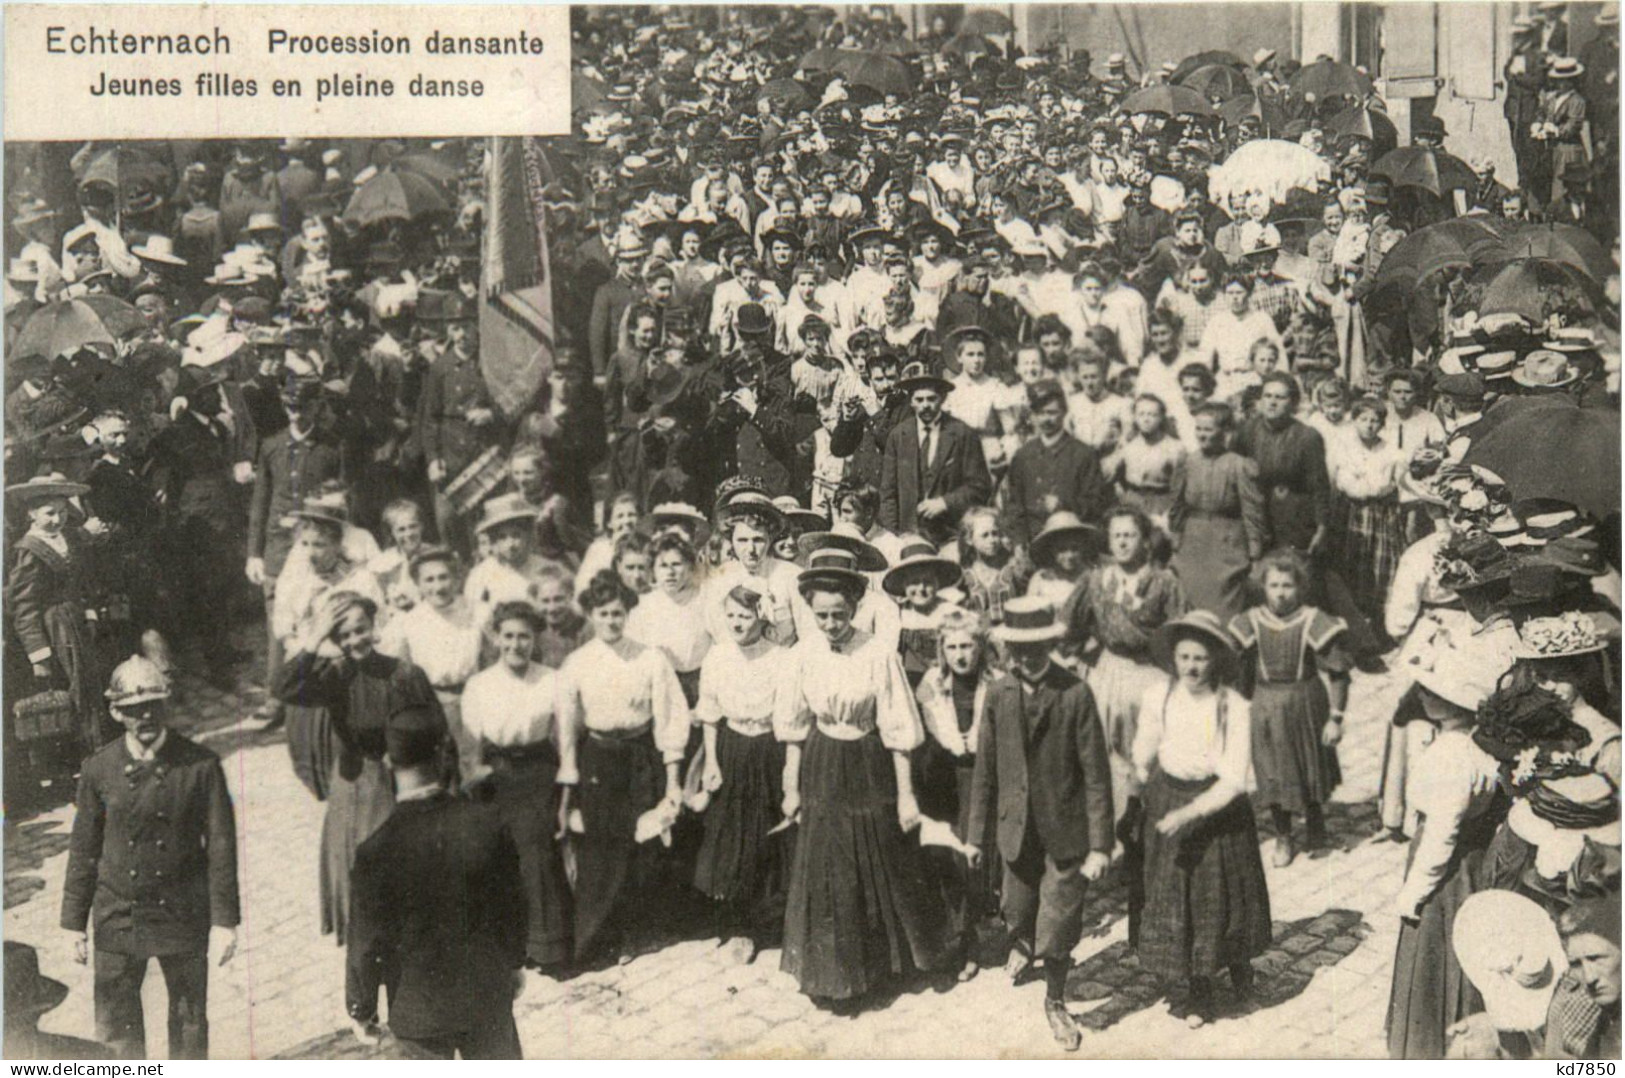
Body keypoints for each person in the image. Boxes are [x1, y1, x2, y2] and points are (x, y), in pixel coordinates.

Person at [776, 546, 946, 1003]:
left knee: (877, 857)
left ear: (853, 608)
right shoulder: (802, 655)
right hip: (822, 762)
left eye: (838, 615)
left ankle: (881, 968)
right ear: (809, 611)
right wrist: (791, 788)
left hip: (869, 763)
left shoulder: (877, 653)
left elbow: (898, 729)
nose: (831, 625)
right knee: (828, 864)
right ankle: (832, 974)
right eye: (822, 616)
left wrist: (907, 796)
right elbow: (793, 727)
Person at [60, 656, 239, 1060]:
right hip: (117, 913)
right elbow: (84, 848)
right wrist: (74, 923)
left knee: (189, 1020)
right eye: (134, 710)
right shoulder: (98, 769)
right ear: (115, 712)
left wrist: (225, 920)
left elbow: (222, 850)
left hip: (181, 912)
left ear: (166, 706)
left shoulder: (200, 766)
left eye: (154, 706)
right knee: (115, 1027)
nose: (145, 717)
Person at [966, 598, 1114, 1050]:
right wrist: (975, 835)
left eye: (1038, 647)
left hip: (1066, 831)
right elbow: (986, 771)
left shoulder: (1075, 693)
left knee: (1059, 923)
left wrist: (1101, 845)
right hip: (1017, 830)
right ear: (1008, 648)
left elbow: (1096, 773)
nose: (1028, 656)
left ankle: (1055, 997)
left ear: (1051, 643)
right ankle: (1021, 943)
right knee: (1019, 907)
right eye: (1018, 648)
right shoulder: (998, 693)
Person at [346, 703, 528, 1059]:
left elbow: (366, 942)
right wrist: (515, 962)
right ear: (442, 756)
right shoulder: (488, 825)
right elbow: (514, 904)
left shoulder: (375, 852)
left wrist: (361, 1008)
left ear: (388, 764)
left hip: (418, 1011)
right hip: (486, 996)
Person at [273, 591, 446, 943]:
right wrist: (313, 638)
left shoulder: (405, 674)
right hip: (353, 781)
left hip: (399, 781)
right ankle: (367, 940)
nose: (354, 640)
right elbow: (282, 688)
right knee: (359, 863)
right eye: (344, 635)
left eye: (360, 630)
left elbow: (436, 731)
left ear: (374, 626)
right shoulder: (334, 678)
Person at [1130, 611, 1272, 1028]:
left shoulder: (1233, 707)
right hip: (1167, 798)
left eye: (1200, 658)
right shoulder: (1160, 695)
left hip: (1216, 811)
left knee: (1224, 895)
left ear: (1216, 662)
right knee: (1178, 895)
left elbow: (1232, 780)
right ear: (1173, 659)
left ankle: (1239, 964)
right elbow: (1146, 743)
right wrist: (1138, 773)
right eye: (1184, 657)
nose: (1191, 667)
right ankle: (1200, 991)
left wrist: (1188, 814)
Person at [558, 570, 692, 964]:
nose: (611, 621)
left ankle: (638, 931)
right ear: (591, 615)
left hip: (639, 757)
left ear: (627, 613)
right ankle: (600, 937)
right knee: (601, 847)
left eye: (617, 613)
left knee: (642, 843)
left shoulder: (650, 658)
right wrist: (569, 790)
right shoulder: (577, 663)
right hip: (598, 759)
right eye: (603, 614)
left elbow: (670, 718)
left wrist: (672, 783)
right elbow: (567, 730)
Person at [1386, 653, 1506, 1060]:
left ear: (1447, 703)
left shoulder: (1451, 756)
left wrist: (1412, 893)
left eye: (1431, 691)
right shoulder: (1471, 743)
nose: (1422, 695)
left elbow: (1441, 836)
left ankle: (1432, 1042)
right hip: (1471, 860)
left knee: (1438, 951)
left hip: (1447, 875)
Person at [459, 602, 574, 972]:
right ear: (495, 638)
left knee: (538, 855)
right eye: (508, 636)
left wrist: (566, 793)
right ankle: (507, 946)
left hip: (538, 772)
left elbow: (566, 741)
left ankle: (547, 948)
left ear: (535, 638)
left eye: (524, 636)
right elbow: (471, 747)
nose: (516, 644)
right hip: (496, 775)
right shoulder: (479, 685)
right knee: (499, 858)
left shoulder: (552, 679)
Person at [1065, 507, 1189, 818]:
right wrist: (1082, 655)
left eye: (1130, 535)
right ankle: (1115, 826)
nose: (1122, 542)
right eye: (1116, 535)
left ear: (1145, 541)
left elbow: (1183, 630)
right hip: (1108, 671)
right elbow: (1068, 625)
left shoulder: (1164, 581)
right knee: (1105, 753)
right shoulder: (1095, 580)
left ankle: (1153, 818)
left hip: (1151, 673)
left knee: (1151, 754)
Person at [1229, 550, 1351, 866]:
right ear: (1263, 588)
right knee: (1271, 771)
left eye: (1287, 585)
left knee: (1309, 763)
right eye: (1274, 586)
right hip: (1266, 705)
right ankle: (1283, 835)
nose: (1281, 593)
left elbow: (1338, 672)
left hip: (1306, 701)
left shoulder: (1312, 620)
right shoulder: (1252, 621)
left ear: (1300, 588)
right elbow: (1232, 666)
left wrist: (1335, 718)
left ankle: (1315, 822)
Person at [691, 584, 792, 958]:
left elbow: (788, 715)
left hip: (769, 750)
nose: (737, 623)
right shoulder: (717, 657)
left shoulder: (781, 658)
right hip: (731, 750)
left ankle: (770, 923)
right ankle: (738, 927)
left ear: (762, 617)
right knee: (732, 836)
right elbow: (710, 713)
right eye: (731, 615)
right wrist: (713, 762)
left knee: (768, 833)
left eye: (745, 616)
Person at [7, 473, 105, 756]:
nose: (57, 519)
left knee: (89, 685)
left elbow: (81, 583)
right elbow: (24, 608)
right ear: (32, 514)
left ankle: (98, 746)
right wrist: (38, 654)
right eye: (49, 513)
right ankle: (82, 755)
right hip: (54, 629)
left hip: (76, 622)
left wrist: (89, 615)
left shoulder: (67, 539)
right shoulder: (29, 550)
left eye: (62, 512)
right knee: (70, 692)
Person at [376, 547, 485, 787]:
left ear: (456, 578)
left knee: (475, 770)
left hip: (474, 701)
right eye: (429, 579)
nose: (438, 586)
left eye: (444, 577)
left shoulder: (477, 613)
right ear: (417, 584)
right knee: (441, 773)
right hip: (432, 703)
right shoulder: (410, 621)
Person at [1168, 404, 1268, 619]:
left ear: (1223, 432)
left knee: (1224, 601)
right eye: (1199, 429)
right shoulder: (1188, 462)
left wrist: (1255, 551)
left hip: (1228, 543)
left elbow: (1252, 510)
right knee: (1188, 597)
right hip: (1193, 541)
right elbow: (1177, 504)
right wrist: (1176, 536)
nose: (1202, 435)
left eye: (1208, 430)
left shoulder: (1239, 465)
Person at [879, 361, 991, 548]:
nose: (925, 406)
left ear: (942, 399)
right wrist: (896, 535)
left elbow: (980, 487)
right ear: (911, 402)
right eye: (919, 400)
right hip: (909, 536)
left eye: (931, 399)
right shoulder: (898, 436)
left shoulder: (962, 434)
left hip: (952, 535)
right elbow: (888, 493)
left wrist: (945, 502)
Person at [1328, 396, 1407, 640]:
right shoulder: (1343, 446)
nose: (1369, 425)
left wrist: (1376, 486)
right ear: (1354, 421)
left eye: (1375, 420)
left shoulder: (1391, 450)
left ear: (1382, 424)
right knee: (1352, 563)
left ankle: (1380, 623)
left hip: (1381, 514)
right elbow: (1340, 481)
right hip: (1351, 513)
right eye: (1364, 419)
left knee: (1381, 566)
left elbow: (1392, 482)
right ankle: (1352, 623)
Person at [1004, 379, 1115, 551]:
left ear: (1064, 412)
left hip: (1073, 544)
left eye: (1052, 412)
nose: (1046, 419)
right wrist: (1019, 542)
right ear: (1032, 415)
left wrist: (1063, 504)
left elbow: (1096, 503)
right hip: (1033, 542)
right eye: (1040, 413)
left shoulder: (1084, 455)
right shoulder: (1023, 456)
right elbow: (1014, 506)